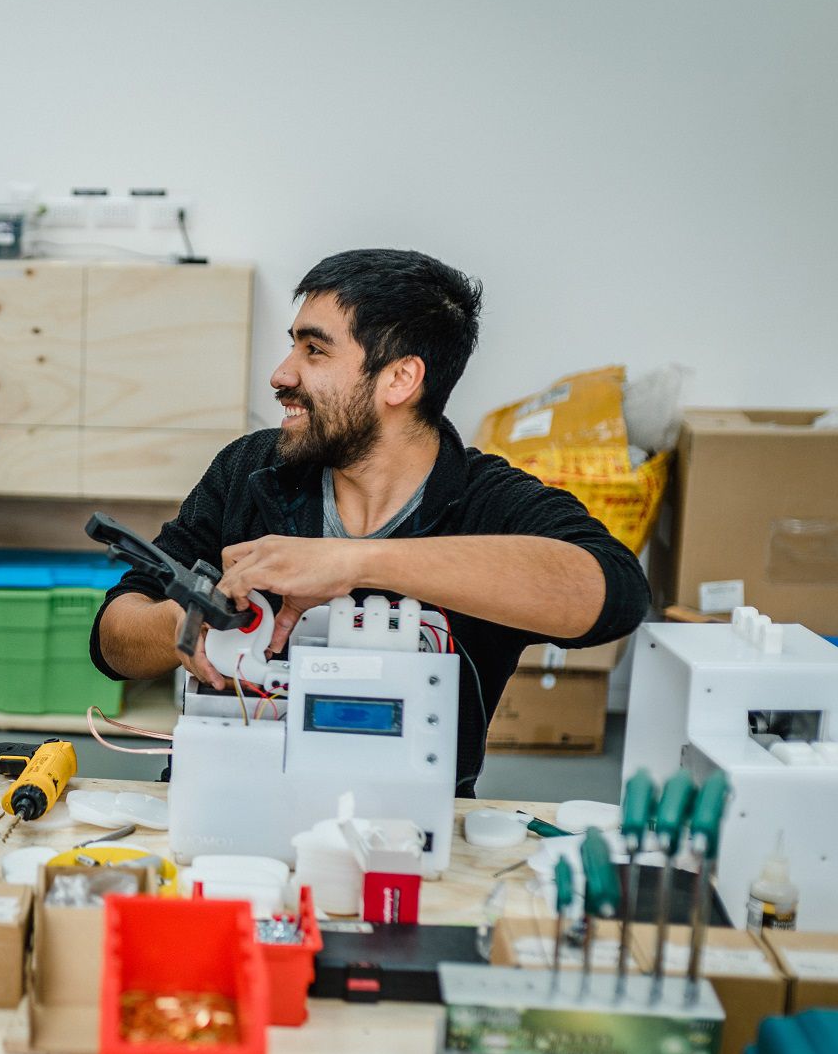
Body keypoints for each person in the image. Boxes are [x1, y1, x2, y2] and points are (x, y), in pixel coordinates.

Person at [91, 248, 648, 796]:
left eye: (314, 350)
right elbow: (113, 640)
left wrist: (353, 561)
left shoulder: (487, 501)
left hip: (405, 836)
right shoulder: (249, 471)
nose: (281, 374)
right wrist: (192, 623)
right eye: (293, 346)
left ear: (400, 379)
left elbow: (614, 594)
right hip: (222, 810)